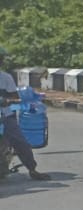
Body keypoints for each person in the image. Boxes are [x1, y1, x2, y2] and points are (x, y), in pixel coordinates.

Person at [0, 47, 51, 181]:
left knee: (20, 141)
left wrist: (6, 101)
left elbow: (15, 98)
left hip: (5, 116)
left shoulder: (5, 78)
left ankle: (32, 169)